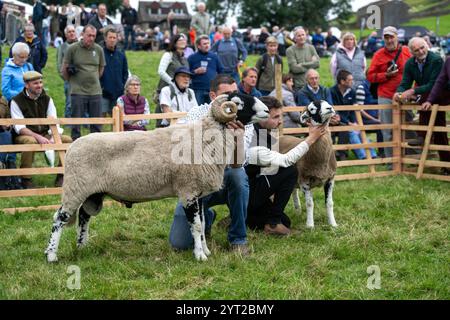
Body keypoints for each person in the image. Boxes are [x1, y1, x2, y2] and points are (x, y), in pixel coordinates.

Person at [169, 75, 250, 254]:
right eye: (227, 94)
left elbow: (238, 164)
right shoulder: (196, 114)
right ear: (214, 96)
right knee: (180, 243)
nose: (233, 99)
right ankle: (207, 215)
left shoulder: (242, 117)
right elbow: (180, 145)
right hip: (197, 182)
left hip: (226, 180)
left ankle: (238, 238)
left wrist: (238, 138)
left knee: (238, 176)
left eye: (235, 93)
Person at [245, 96, 326, 235]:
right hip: (245, 192)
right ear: (262, 116)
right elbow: (286, 161)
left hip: (253, 190)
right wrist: (311, 138)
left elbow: (268, 172)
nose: (280, 121)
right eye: (275, 117)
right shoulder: (254, 136)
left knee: (286, 221)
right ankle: (272, 223)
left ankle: (243, 217)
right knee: (289, 171)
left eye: (280, 116)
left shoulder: (265, 133)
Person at [393, 37, 449, 171]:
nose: (421, 51)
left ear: (427, 46)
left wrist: (413, 90)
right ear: (412, 52)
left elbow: (435, 83)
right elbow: (405, 82)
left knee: (438, 126)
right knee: (439, 130)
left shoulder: (436, 60)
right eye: (416, 50)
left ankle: (421, 136)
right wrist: (399, 93)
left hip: (443, 92)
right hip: (428, 96)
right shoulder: (410, 64)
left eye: (422, 48)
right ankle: (446, 166)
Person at [10, 71, 72, 189]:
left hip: (46, 134)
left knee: (67, 140)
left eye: (40, 82)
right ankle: (25, 179)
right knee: (30, 142)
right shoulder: (16, 101)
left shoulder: (47, 99)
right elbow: (19, 127)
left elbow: (54, 121)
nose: (39, 85)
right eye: (35, 83)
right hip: (25, 135)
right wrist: (38, 137)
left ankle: (62, 175)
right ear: (27, 85)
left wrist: (54, 137)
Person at [367, 26, 413, 162]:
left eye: (391, 37)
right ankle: (391, 161)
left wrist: (414, 90)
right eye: (386, 37)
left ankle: (412, 158)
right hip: (386, 95)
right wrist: (386, 75)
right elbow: (370, 76)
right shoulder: (378, 54)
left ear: (397, 37)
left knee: (409, 126)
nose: (389, 40)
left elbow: (415, 70)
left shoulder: (406, 51)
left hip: (405, 95)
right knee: (387, 130)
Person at [62, 25, 106, 141]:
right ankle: (75, 145)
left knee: (96, 122)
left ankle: (96, 145)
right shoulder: (72, 49)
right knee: (76, 123)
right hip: (78, 91)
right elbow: (64, 68)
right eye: (89, 35)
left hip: (95, 91)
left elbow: (101, 68)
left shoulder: (98, 49)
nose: (91, 38)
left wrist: (94, 78)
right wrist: (71, 82)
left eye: (93, 36)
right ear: (82, 34)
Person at [330, 70, 377, 160]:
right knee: (351, 132)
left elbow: (353, 111)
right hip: (338, 121)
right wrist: (348, 123)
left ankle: (373, 155)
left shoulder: (352, 91)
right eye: (350, 80)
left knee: (359, 131)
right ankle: (363, 156)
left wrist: (354, 122)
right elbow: (335, 111)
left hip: (350, 121)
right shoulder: (332, 92)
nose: (353, 82)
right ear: (342, 81)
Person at [422, 57, 450, 175]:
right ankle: (446, 165)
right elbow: (440, 81)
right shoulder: (448, 61)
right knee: (439, 130)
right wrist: (430, 100)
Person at [100, 27, 129, 116]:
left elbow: (125, 72)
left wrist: (122, 86)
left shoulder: (121, 54)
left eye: (114, 38)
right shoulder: (100, 53)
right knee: (101, 119)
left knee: (117, 120)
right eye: (110, 37)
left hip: (118, 93)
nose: (112, 40)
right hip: (103, 93)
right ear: (105, 39)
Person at [188, 35, 224, 105]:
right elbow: (186, 74)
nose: (207, 45)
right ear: (198, 46)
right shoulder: (192, 58)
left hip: (212, 89)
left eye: (208, 43)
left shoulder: (214, 56)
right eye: (204, 44)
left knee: (212, 110)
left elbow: (221, 71)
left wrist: (218, 83)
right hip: (198, 89)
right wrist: (195, 72)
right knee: (198, 110)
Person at [57, 25, 78, 119]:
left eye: (73, 31)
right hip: (69, 79)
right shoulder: (62, 47)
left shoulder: (81, 45)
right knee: (69, 101)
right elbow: (59, 64)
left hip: (81, 79)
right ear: (66, 35)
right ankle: (68, 121)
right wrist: (65, 77)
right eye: (69, 32)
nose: (72, 33)